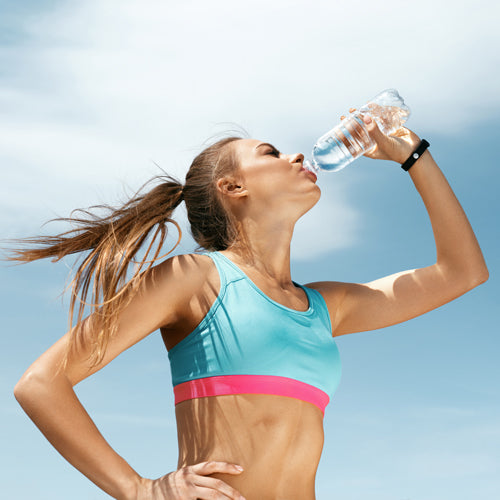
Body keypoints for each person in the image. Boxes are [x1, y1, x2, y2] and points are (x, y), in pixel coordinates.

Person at [7, 108, 488, 500]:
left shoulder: (325, 306)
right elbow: (41, 384)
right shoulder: (195, 279)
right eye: (270, 153)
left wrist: (414, 155)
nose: (297, 154)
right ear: (233, 187)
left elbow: (463, 273)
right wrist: (137, 490)